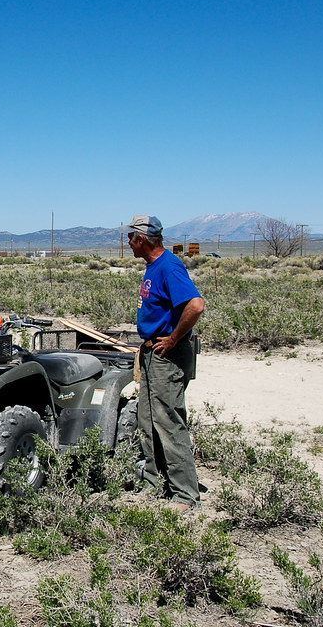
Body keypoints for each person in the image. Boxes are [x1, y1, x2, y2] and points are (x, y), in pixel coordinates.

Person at [125, 215, 204, 511]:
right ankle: (154, 482)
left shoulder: (169, 266)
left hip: (167, 355)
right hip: (151, 353)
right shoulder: (153, 267)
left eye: (130, 238)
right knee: (148, 420)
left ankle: (185, 495)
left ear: (141, 239)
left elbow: (196, 305)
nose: (128, 244)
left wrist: (172, 339)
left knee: (169, 422)